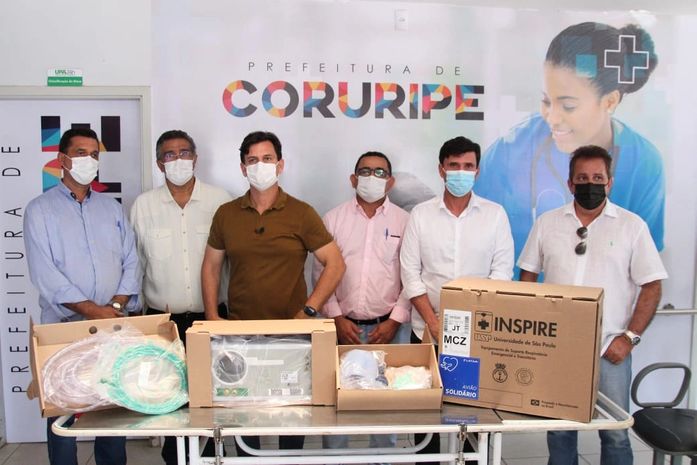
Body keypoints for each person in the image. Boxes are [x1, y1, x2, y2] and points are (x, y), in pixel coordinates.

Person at [476, 22, 664, 277]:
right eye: (546, 101)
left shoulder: (644, 164)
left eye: (568, 106)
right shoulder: (510, 151)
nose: (552, 118)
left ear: (610, 101)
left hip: (607, 301)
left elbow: (646, 269)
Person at [518, 145, 667, 465]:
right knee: (559, 429)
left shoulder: (631, 226)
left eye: (598, 178)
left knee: (614, 433)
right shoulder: (547, 223)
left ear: (609, 182)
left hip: (609, 349)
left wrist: (629, 337)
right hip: (556, 349)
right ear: (570, 184)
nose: (590, 184)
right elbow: (527, 275)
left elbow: (652, 285)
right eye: (582, 178)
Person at [201, 130, 345, 455]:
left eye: (267, 159)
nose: (260, 166)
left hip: (291, 335)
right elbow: (211, 266)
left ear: (280, 165)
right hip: (240, 334)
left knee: (291, 415)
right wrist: (211, 317)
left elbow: (335, 264)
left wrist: (308, 311)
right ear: (243, 168)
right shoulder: (226, 214)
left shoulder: (301, 213)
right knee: (244, 416)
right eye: (252, 160)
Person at [24, 128, 140, 465]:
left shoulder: (111, 209)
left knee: (110, 405)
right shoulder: (39, 210)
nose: (88, 160)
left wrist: (114, 306)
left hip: (111, 325)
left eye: (94, 154)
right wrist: (93, 310)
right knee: (62, 409)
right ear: (61, 159)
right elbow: (45, 274)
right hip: (63, 328)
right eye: (80, 153)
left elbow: (131, 260)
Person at [400, 136, 514, 463]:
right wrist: (434, 322)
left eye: (468, 166)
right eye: (454, 166)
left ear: (477, 171)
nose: (461, 172)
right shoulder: (421, 215)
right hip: (427, 330)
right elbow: (410, 273)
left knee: (473, 413)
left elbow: (501, 273)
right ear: (441, 170)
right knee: (427, 412)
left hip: (478, 333)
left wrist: (473, 321)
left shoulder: (494, 215)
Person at [130, 129, 231, 465]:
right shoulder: (143, 206)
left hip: (211, 317)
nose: (178, 160)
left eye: (184, 152)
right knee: (171, 398)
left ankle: (212, 457)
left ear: (195, 158)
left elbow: (232, 261)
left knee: (212, 397)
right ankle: (175, 458)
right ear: (160, 163)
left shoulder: (220, 200)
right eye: (169, 155)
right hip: (164, 321)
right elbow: (135, 264)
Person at [314, 151, 410, 457]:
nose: (372, 177)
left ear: (390, 182)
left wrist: (395, 320)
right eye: (365, 171)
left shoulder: (405, 221)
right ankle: (335, 460)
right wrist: (336, 318)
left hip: (389, 330)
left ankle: (381, 460)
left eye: (380, 172)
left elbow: (412, 274)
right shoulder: (333, 218)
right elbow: (319, 272)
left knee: (385, 407)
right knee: (337, 404)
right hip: (342, 328)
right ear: (353, 179)